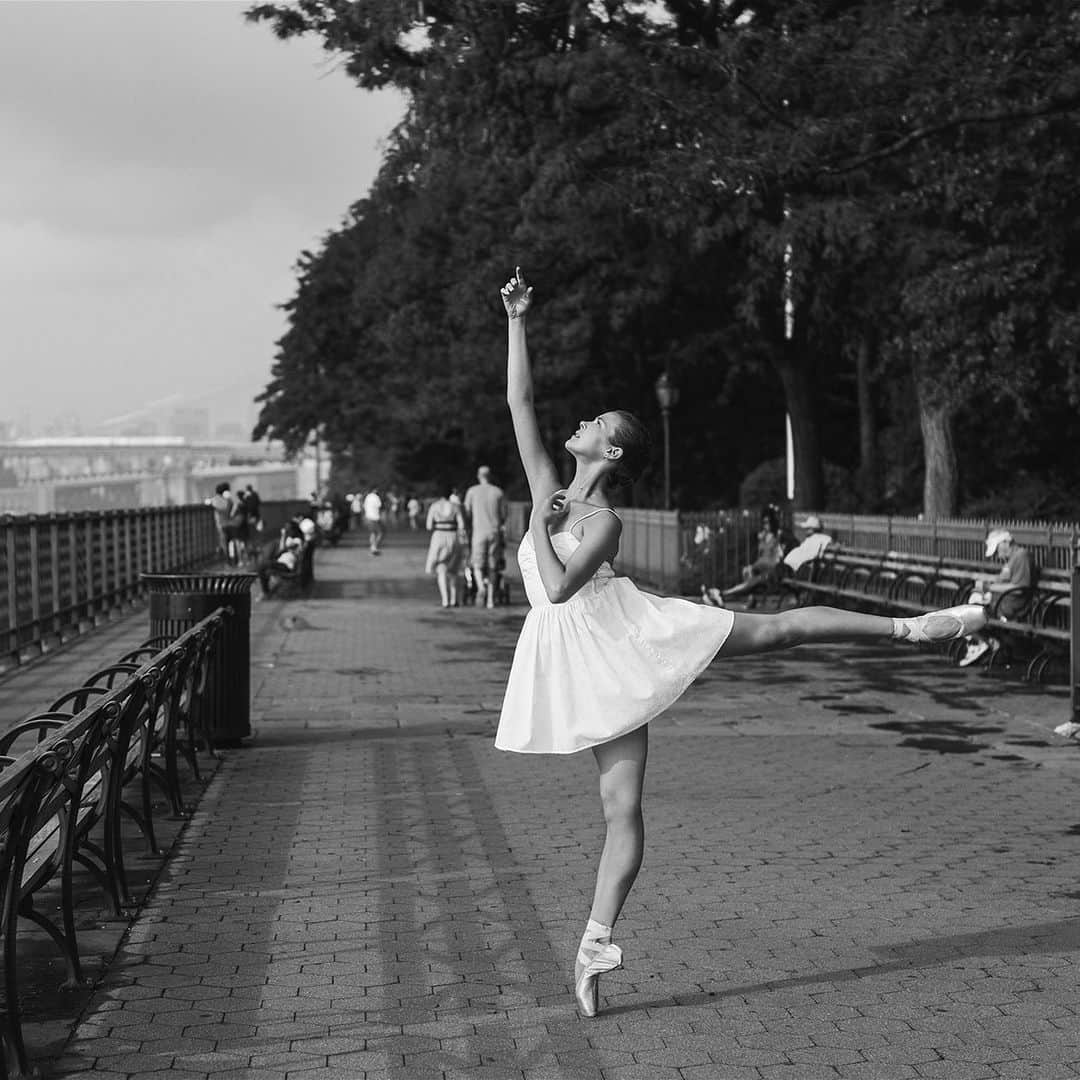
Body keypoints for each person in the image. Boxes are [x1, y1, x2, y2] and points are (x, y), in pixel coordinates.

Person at [493, 267, 987, 1019]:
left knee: (775, 633)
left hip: (623, 637)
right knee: (617, 805)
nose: (581, 424)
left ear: (613, 453)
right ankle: (596, 945)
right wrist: (517, 319)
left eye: (595, 423)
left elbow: (559, 587)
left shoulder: (601, 522)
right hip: (571, 658)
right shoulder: (549, 486)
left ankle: (911, 627)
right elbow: (518, 401)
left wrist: (536, 522)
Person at [705, 513, 833, 605]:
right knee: (756, 581)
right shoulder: (813, 539)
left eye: (807, 529)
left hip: (789, 570)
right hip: (787, 568)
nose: (805, 531)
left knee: (757, 582)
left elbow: (817, 556)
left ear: (812, 529)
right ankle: (722, 594)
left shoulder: (821, 539)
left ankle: (722, 594)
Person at [958, 528, 1036, 667]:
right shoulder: (1012, 559)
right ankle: (988, 644)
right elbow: (1002, 582)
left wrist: (989, 588)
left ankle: (986, 644)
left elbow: (1020, 588)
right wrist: (985, 589)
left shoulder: (1021, 556)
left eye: (997, 550)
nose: (998, 555)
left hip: (1009, 607)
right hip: (1000, 603)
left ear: (1006, 542)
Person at [464, 466, 508, 608]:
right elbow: (503, 515)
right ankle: (490, 599)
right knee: (493, 566)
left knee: (477, 564)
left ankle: (481, 588)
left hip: (479, 532)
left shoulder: (472, 492)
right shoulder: (498, 492)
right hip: (494, 532)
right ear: (490, 476)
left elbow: (467, 512)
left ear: (479, 476)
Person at [425, 488, 467, 607]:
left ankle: (445, 600)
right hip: (453, 537)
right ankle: (454, 599)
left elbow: (428, 526)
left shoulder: (434, 506)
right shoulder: (455, 506)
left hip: (439, 537)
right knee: (453, 570)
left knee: (441, 569)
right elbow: (462, 525)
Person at [205, 482, 236, 565]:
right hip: (229, 523)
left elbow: (210, 503)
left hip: (221, 524)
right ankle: (230, 560)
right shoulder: (228, 499)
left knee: (224, 542)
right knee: (229, 542)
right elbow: (229, 508)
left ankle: (227, 560)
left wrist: (211, 504)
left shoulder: (216, 499)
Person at [362, 489, 384, 555]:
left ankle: (373, 547)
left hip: (368, 517)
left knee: (373, 533)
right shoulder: (376, 497)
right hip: (374, 517)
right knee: (380, 533)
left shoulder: (367, 497)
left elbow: (364, 506)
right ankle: (374, 547)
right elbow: (379, 506)